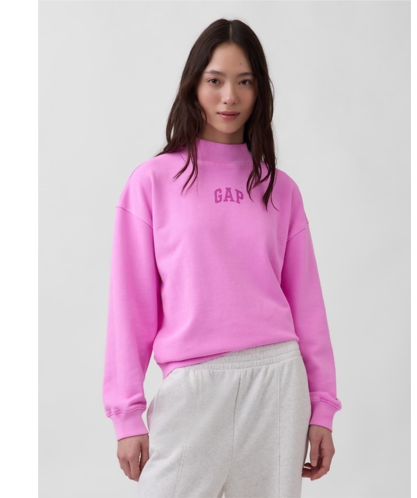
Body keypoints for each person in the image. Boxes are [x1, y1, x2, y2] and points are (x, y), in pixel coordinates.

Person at [103, 18, 342, 498]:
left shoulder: (280, 189)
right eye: (215, 80)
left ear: (259, 91)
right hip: (191, 388)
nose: (229, 97)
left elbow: (308, 305)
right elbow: (130, 305)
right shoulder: (153, 182)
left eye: (244, 82)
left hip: (277, 383)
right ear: (194, 85)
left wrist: (322, 408)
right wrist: (126, 414)